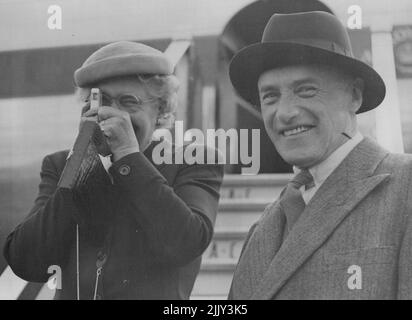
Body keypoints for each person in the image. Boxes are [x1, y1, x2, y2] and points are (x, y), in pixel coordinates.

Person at [3, 41, 224, 300]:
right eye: (102, 100)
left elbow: (187, 242)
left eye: (129, 102)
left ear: (161, 112)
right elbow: (25, 261)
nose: (113, 114)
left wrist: (129, 157)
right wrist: (81, 163)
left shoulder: (193, 160)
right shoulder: (61, 165)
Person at [228, 11, 412, 299]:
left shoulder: (406, 187)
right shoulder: (264, 226)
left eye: (306, 90)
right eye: (270, 97)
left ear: (354, 95)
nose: (285, 113)